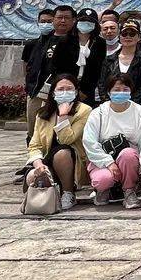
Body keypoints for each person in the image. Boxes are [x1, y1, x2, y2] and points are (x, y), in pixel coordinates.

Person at [25, 73, 91, 211]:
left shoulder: (84, 111)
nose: (65, 92)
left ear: (76, 91)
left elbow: (66, 139)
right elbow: (35, 144)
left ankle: (68, 192)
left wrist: (63, 116)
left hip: (71, 158)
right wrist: (38, 163)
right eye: (60, 89)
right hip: (48, 158)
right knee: (32, 177)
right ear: (53, 93)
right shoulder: (43, 113)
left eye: (69, 89)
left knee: (62, 152)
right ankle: (50, 194)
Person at [82, 74, 141, 209]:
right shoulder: (98, 113)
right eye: (117, 89)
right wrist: (109, 162)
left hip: (129, 159)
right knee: (103, 180)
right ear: (108, 92)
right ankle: (102, 191)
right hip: (103, 157)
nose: (121, 93)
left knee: (128, 154)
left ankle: (129, 190)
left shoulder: (140, 112)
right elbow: (89, 142)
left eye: (125, 89)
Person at [22, 8, 55, 149]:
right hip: (35, 92)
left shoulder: (61, 42)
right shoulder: (31, 44)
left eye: (49, 21)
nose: (46, 24)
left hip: (53, 93)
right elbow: (25, 66)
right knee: (32, 128)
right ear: (38, 22)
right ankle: (32, 159)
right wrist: (29, 85)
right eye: (43, 21)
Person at [98, 19, 141, 104]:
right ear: (119, 37)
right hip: (110, 105)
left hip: (135, 106)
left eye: (132, 34)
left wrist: (131, 105)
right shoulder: (109, 59)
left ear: (139, 37)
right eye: (124, 34)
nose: (128, 37)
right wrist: (108, 103)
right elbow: (102, 85)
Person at [71, 8, 108, 106]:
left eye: (90, 22)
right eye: (83, 21)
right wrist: (71, 87)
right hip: (68, 87)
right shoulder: (66, 40)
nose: (86, 23)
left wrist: (85, 90)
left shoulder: (100, 43)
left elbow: (97, 68)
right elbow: (59, 66)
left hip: (87, 90)